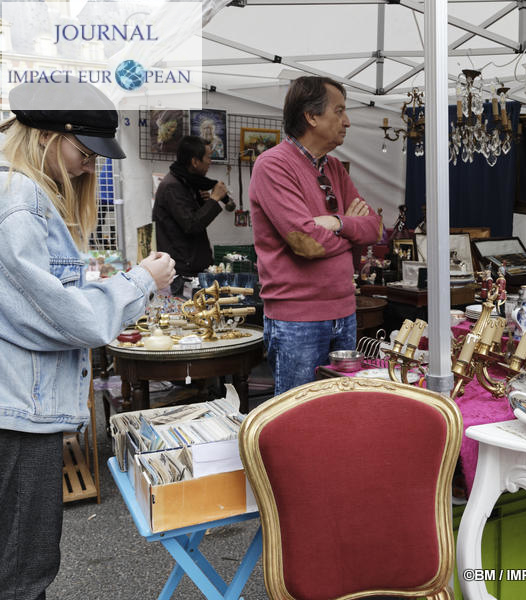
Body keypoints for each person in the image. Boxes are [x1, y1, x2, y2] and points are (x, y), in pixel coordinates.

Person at [0, 81, 175, 599]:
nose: (87, 167)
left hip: (18, 405)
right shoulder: (21, 201)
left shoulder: (21, 195)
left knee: (21, 561)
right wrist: (142, 279)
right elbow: (64, 315)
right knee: (25, 568)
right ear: (49, 138)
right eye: (84, 152)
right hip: (18, 412)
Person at [249, 76, 382, 395]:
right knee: (298, 417)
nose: (347, 121)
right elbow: (305, 242)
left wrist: (337, 223)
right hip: (298, 319)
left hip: (344, 312)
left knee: (339, 412)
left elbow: (375, 229)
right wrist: (352, 227)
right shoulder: (273, 165)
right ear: (311, 116)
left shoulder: (334, 168)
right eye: (339, 111)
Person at [152, 135, 233, 296]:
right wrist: (214, 199)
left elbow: (190, 219)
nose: (210, 162)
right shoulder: (173, 187)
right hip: (182, 274)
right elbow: (191, 225)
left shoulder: (186, 183)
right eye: (208, 158)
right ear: (195, 161)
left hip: (190, 269)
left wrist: (204, 203)